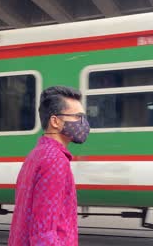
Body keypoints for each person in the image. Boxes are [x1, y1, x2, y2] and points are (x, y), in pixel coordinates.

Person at [8, 86, 90, 246]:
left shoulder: (36, 155)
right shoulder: (55, 160)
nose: (84, 124)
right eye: (78, 117)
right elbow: (43, 233)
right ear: (55, 121)